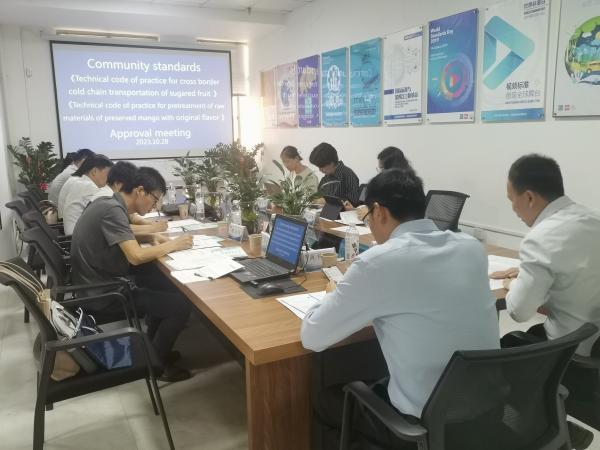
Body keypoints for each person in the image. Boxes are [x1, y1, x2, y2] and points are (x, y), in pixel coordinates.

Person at [301, 168, 500, 447]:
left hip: (421, 428)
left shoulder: (378, 262)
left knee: (325, 400)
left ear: (380, 212)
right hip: (488, 413)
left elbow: (312, 337)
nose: (370, 224)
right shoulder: (471, 247)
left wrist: (330, 296)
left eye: (368, 217)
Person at [490, 154, 600, 449]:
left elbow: (519, 311)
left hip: (569, 347)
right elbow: (576, 270)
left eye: (511, 199)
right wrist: (528, 272)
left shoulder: (541, 238)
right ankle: (557, 424)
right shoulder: (593, 218)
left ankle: (535, 429)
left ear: (528, 197)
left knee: (504, 347)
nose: (513, 209)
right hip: (595, 337)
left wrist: (513, 283)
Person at [70, 167, 194, 382]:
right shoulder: (112, 210)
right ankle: (156, 366)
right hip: (104, 294)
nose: (155, 205)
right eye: (155, 199)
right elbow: (135, 257)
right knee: (180, 306)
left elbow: (121, 238)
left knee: (163, 284)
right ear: (140, 191)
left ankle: (153, 350)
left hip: (96, 281)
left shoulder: (110, 204)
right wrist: (174, 244)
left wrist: (151, 238)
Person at [90, 161, 168, 234]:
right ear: (117, 183)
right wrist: (153, 228)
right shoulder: (108, 199)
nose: (129, 188)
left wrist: (149, 225)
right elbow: (121, 228)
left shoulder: (114, 198)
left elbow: (131, 217)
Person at [59, 154, 113, 234]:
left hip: (74, 234)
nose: (109, 179)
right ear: (94, 171)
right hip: (76, 237)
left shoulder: (82, 182)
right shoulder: (88, 187)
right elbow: (109, 211)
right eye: (107, 174)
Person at [309, 142, 360, 210]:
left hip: (342, 215)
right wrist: (315, 200)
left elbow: (353, 202)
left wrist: (328, 201)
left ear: (331, 163)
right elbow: (318, 197)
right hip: (324, 214)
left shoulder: (348, 175)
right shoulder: (325, 178)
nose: (320, 170)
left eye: (322, 166)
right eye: (318, 167)